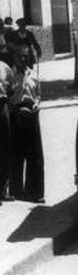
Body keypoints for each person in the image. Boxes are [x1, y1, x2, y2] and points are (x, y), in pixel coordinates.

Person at [9, 45, 45, 203]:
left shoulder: (34, 75)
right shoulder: (9, 75)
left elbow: (38, 95)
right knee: (16, 153)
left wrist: (37, 103)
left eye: (25, 57)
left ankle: (35, 192)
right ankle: (16, 191)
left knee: (35, 155)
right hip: (16, 114)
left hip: (31, 114)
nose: (23, 59)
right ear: (15, 58)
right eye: (20, 57)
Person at [0, 58, 14, 202]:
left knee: (5, 147)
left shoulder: (4, 67)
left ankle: (3, 190)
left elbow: (11, 88)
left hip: (2, 106)